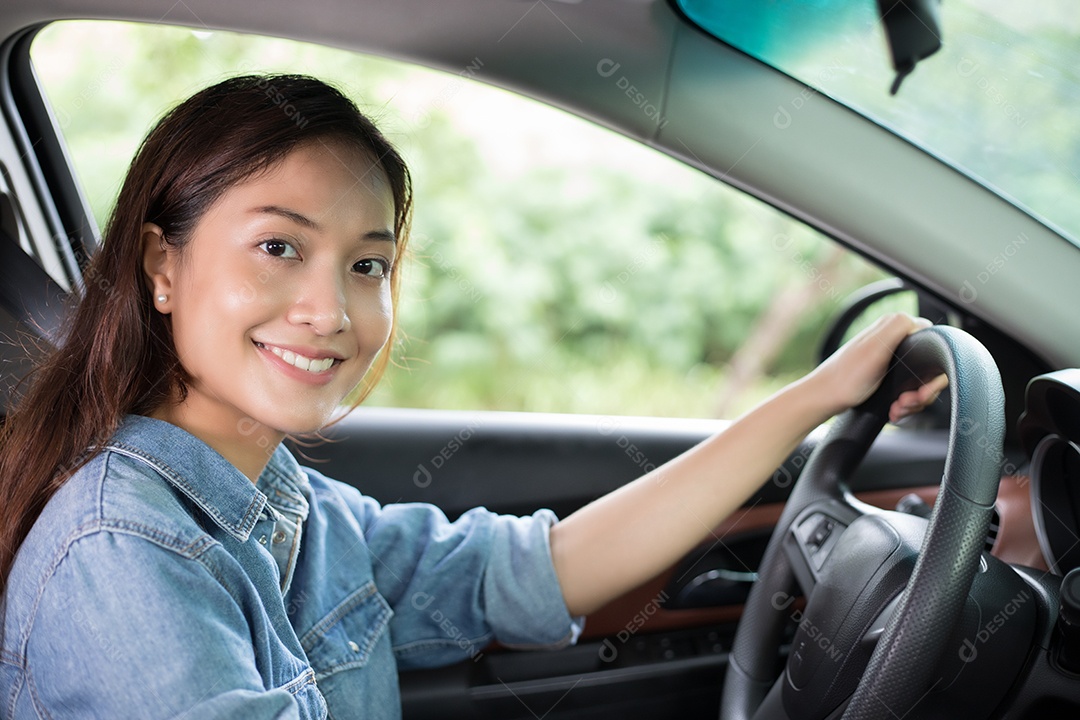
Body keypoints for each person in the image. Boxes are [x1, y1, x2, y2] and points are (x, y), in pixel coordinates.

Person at [0, 74, 946, 719]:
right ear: (162, 266)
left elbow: (539, 571)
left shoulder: (292, 508)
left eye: (367, 264)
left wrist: (816, 397)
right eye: (279, 247)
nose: (331, 310)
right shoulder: (123, 550)